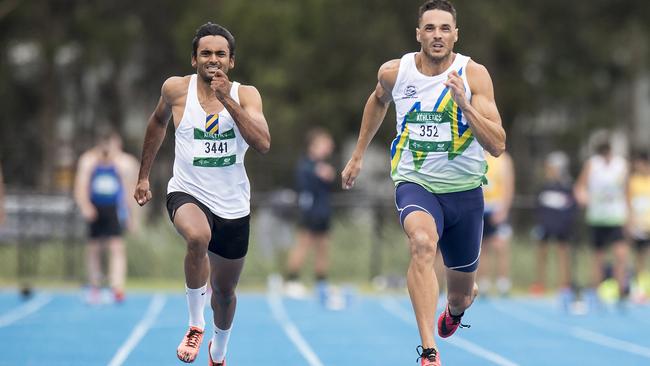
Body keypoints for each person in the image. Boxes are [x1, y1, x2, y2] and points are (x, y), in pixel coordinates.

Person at [341, 1, 506, 364]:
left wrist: (465, 105)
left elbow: (497, 145)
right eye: (429, 28)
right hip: (416, 183)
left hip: (465, 192)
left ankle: (456, 310)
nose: (437, 35)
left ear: (455, 35)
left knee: (461, 294)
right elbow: (377, 101)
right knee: (421, 243)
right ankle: (429, 350)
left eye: (444, 28)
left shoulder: (474, 74)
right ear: (418, 33)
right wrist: (357, 155)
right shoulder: (394, 72)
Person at [133, 22, 270, 365]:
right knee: (197, 236)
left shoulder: (246, 95)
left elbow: (263, 143)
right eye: (205, 53)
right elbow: (156, 123)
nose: (213, 59)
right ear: (193, 59)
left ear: (231, 62)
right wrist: (144, 177)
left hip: (233, 204)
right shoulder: (176, 90)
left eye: (220, 54)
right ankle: (195, 325)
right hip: (187, 191)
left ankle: (218, 351)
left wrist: (226, 98)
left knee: (224, 295)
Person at [73, 127, 139, 304]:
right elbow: (81, 186)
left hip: (114, 208)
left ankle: (116, 286)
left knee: (116, 247)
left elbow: (130, 189)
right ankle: (94, 285)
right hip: (95, 207)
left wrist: (131, 216)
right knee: (94, 248)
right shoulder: (88, 160)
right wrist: (85, 206)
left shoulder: (124, 162)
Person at [574, 141, 630, 307]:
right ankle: (596, 293)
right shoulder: (592, 165)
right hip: (597, 217)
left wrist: (629, 215)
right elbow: (580, 186)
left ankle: (622, 292)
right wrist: (582, 197)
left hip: (616, 216)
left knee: (620, 255)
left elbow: (627, 190)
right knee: (598, 257)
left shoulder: (621, 165)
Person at [284, 128, 336, 301]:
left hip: (323, 211)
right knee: (303, 245)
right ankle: (291, 280)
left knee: (323, 247)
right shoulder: (306, 164)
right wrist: (319, 173)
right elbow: (304, 186)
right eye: (324, 144)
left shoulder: (324, 165)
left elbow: (330, 179)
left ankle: (321, 283)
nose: (328, 147)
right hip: (310, 212)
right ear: (313, 146)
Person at [530, 152, 577, 308]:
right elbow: (538, 208)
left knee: (563, 255)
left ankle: (564, 286)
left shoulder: (567, 186)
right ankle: (540, 284)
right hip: (545, 226)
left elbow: (571, 208)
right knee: (541, 255)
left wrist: (566, 225)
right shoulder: (544, 186)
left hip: (561, 227)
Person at [477, 151, 514, 297]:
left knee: (501, 246)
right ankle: (483, 283)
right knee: (482, 247)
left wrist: (504, 209)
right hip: (481, 208)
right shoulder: (476, 154)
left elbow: (508, 185)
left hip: (497, 207)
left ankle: (503, 283)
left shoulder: (504, 159)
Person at [628, 150, 650, 302]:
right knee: (639, 257)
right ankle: (639, 288)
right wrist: (630, 223)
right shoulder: (632, 181)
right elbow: (628, 203)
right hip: (638, 226)